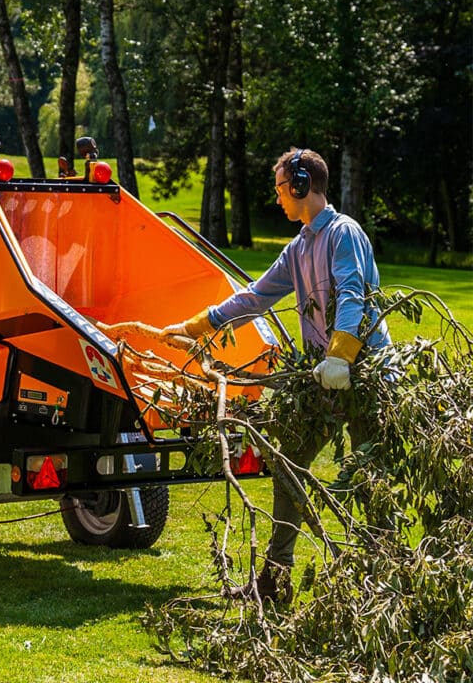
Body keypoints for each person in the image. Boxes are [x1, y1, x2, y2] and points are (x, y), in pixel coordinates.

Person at [162, 147, 391, 603]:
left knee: (370, 474)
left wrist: (342, 356)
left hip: (363, 372)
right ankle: (275, 579)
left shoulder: (343, 234)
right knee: (289, 463)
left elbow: (353, 295)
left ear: (303, 185)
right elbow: (254, 297)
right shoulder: (300, 246)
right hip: (322, 374)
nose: (279, 198)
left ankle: (380, 577)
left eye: (282, 189)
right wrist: (198, 326)